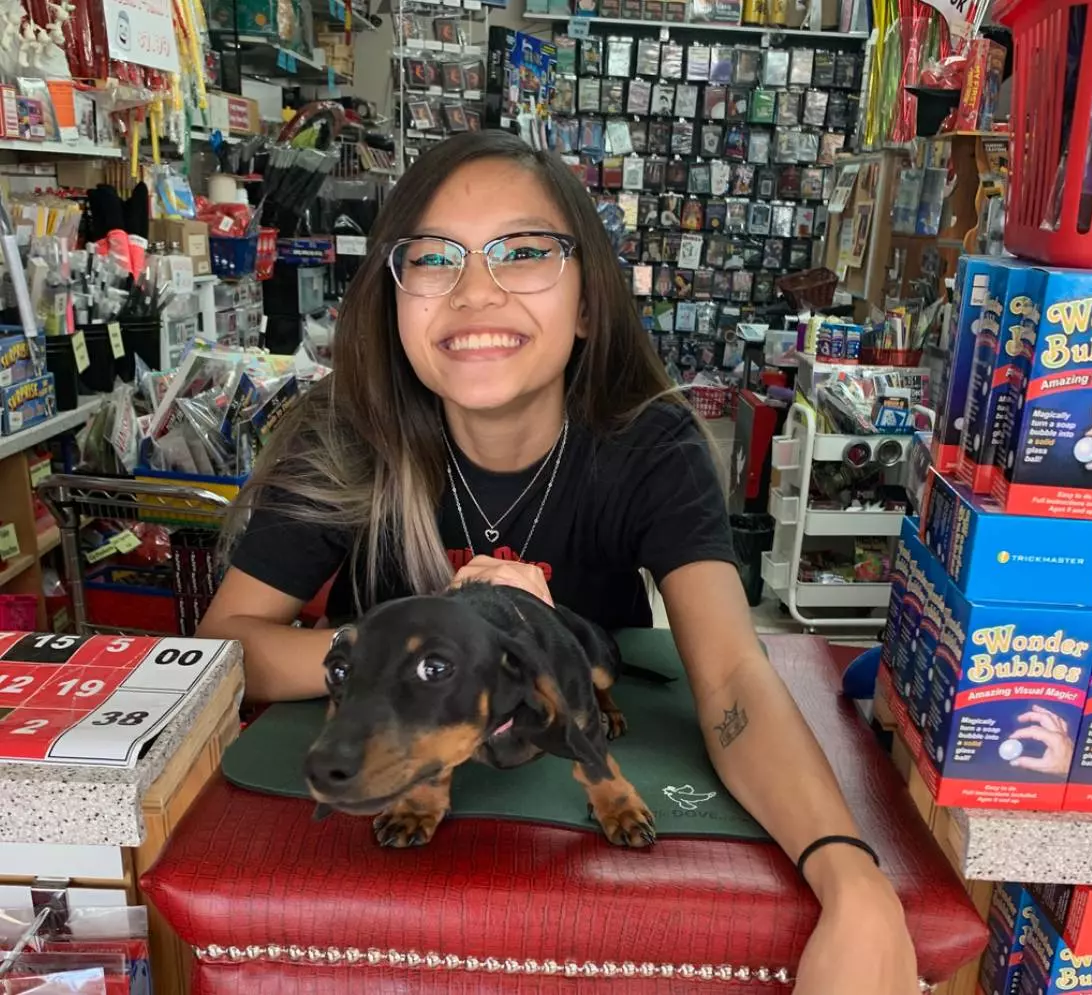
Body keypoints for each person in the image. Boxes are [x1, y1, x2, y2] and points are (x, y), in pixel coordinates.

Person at [199, 130, 917, 994]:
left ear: (586, 302)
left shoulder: (650, 442)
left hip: (574, 830)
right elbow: (227, 649)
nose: (474, 291)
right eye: (433, 258)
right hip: (384, 849)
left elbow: (731, 674)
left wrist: (851, 878)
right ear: (394, 295)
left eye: (526, 252)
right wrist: (405, 656)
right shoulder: (346, 432)